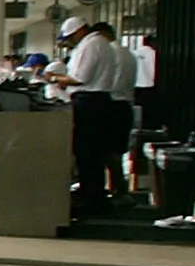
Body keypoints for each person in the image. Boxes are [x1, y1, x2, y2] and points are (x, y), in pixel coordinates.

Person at [50, 16, 133, 211]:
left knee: (88, 152)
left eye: (70, 37)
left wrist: (55, 78)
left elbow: (80, 77)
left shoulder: (91, 45)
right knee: (94, 153)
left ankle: (92, 196)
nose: (70, 42)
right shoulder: (102, 45)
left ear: (79, 31)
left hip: (90, 103)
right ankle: (93, 193)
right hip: (100, 102)